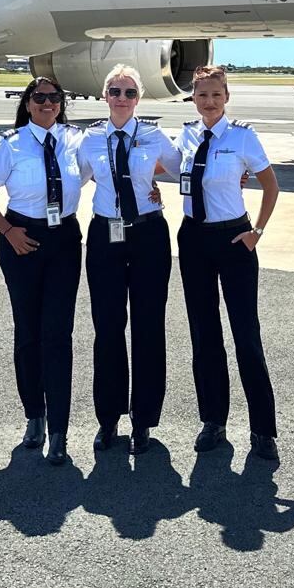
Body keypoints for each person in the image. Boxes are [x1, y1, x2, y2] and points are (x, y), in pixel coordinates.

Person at [172, 65, 283, 465]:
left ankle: (263, 430)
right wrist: (146, 184)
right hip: (194, 240)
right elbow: (168, 169)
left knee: (246, 336)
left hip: (235, 240)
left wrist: (257, 231)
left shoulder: (242, 137)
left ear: (226, 97)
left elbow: (270, 185)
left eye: (216, 94)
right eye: (202, 95)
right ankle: (213, 422)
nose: (209, 101)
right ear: (194, 98)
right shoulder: (185, 135)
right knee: (204, 336)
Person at [0, 77, 84, 466]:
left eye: (55, 97)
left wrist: (151, 186)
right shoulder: (11, 143)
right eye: (40, 97)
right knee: (28, 334)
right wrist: (8, 231)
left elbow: (113, 167)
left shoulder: (75, 140)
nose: (48, 103)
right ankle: (34, 417)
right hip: (21, 238)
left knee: (58, 335)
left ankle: (59, 431)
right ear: (28, 103)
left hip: (65, 241)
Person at [78, 64, 176, 456]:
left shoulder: (154, 136)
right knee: (107, 327)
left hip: (149, 233)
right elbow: (72, 180)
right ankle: (108, 419)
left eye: (130, 92)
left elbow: (188, 169)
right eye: (115, 91)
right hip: (107, 234)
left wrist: (236, 174)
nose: (122, 99)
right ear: (105, 97)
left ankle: (143, 420)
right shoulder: (88, 140)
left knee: (149, 326)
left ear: (139, 99)